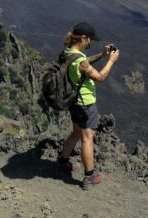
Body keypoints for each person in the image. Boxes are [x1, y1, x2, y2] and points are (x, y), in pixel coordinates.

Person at [56, 22, 120, 189]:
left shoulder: (68, 52)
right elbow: (100, 77)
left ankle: (63, 161)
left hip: (73, 102)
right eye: (89, 39)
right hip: (85, 104)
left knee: (76, 132)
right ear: (83, 38)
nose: (90, 42)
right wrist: (111, 61)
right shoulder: (80, 60)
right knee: (87, 138)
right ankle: (89, 176)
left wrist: (102, 55)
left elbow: (83, 63)